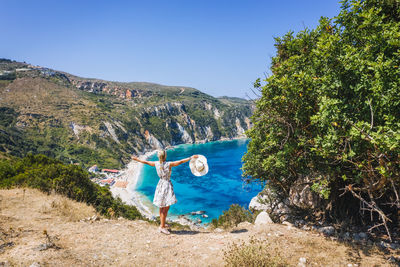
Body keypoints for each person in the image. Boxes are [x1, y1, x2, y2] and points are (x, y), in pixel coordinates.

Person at [131, 150, 198, 235]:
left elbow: (145, 162)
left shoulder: (156, 163)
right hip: (166, 185)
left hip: (160, 184)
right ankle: (162, 227)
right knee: (165, 208)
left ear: (159, 157)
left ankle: (162, 224)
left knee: (161, 206)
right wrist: (190, 157)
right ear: (165, 156)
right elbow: (180, 161)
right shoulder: (169, 164)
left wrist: (137, 159)